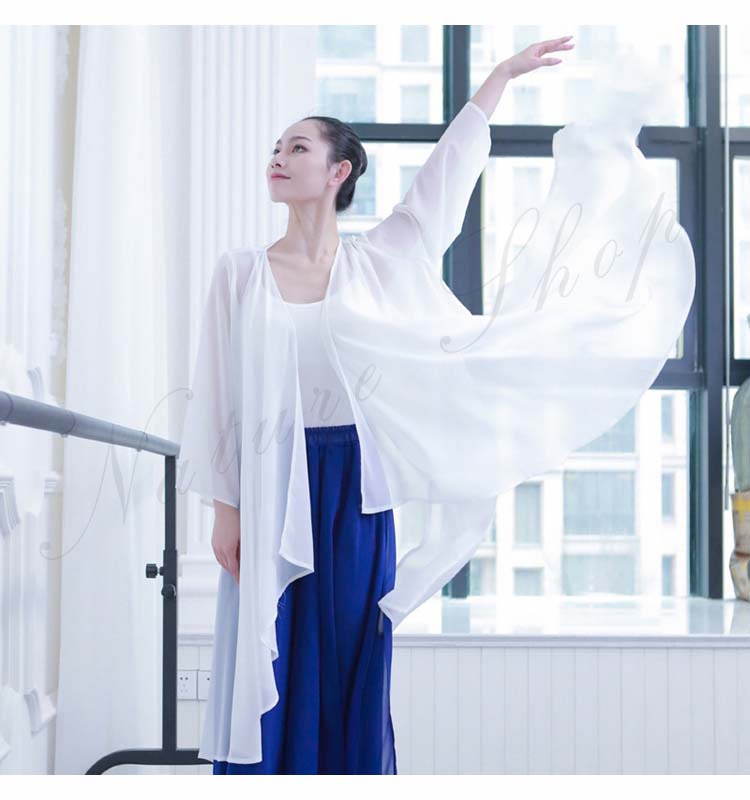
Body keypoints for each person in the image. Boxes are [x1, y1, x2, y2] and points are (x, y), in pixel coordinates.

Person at [179, 34, 695, 774]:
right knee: (277, 647)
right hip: (270, 482)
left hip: (355, 485)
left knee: (354, 650)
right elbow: (220, 395)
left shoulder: (381, 258)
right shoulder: (240, 274)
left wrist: (500, 78)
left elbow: (445, 178)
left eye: (297, 148)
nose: (278, 158)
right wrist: (223, 508)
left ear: (338, 171)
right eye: (275, 149)